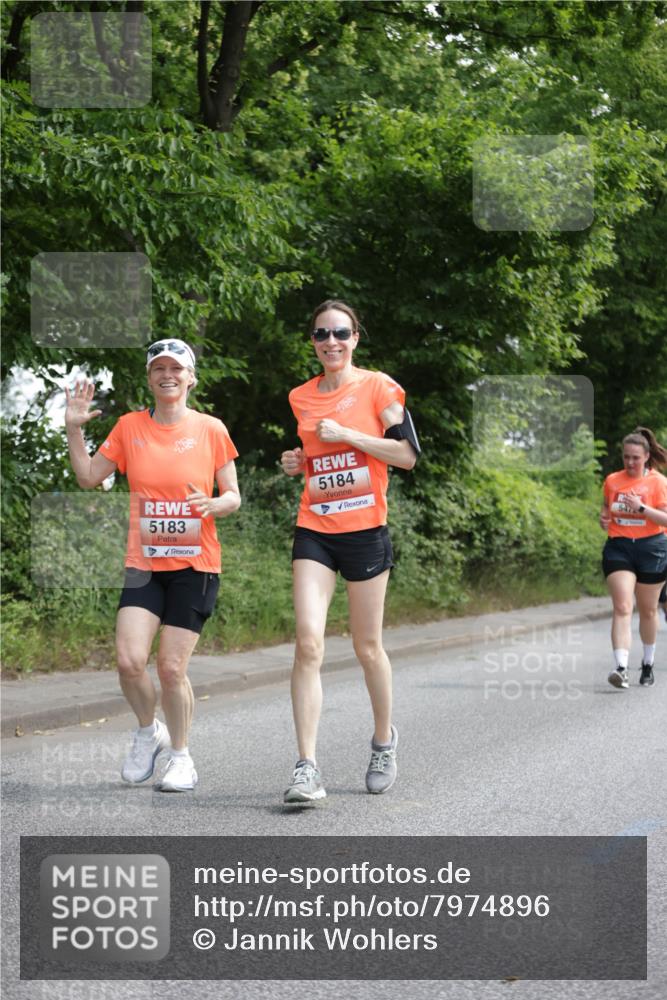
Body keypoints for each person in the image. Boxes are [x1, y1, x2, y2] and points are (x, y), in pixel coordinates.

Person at [64, 339, 240, 791]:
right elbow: (88, 477)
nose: (168, 374)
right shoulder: (128, 427)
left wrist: (213, 505)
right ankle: (149, 732)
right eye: (158, 368)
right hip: (144, 563)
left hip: (195, 565)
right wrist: (73, 429)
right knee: (128, 661)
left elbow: (233, 496)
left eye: (176, 368)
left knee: (171, 669)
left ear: (190, 377)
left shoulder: (211, 429)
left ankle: (181, 756)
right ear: (149, 378)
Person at [280, 300, 420, 802]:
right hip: (314, 526)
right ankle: (306, 767)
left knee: (366, 647)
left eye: (341, 332)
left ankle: (383, 741)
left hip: (364, 530)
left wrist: (350, 436)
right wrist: (297, 462)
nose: (331, 342)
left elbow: (406, 456)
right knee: (308, 642)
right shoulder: (300, 397)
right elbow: (314, 456)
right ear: (313, 341)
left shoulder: (379, 387)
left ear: (355, 337)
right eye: (322, 334)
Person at [600, 427, 667, 689]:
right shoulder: (612, 480)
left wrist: (640, 508)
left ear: (647, 457)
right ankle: (621, 668)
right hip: (619, 547)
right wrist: (603, 517)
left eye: (635, 458)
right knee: (623, 607)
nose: (630, 462)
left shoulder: (658, 482)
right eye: (626, 457)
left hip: (652, 548)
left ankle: (648, 663)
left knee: (649, 610)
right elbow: (606, 508)